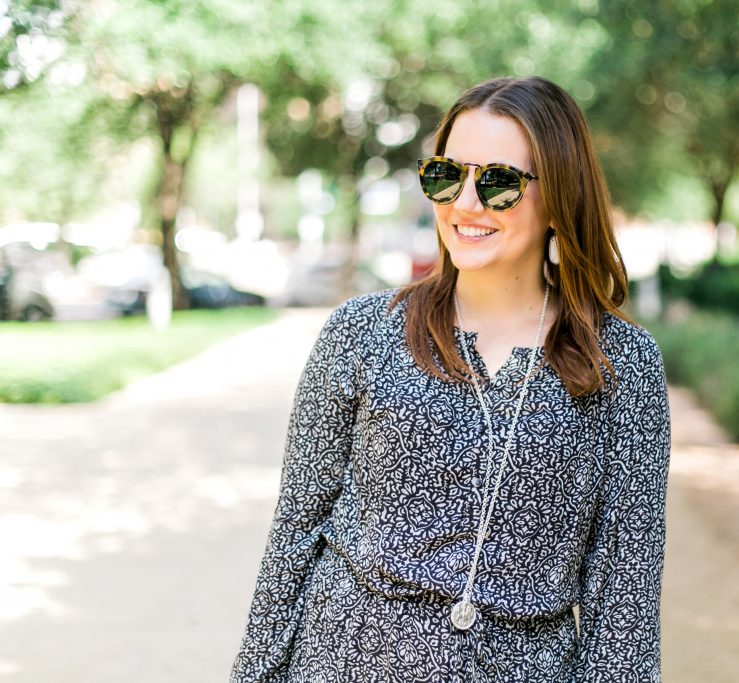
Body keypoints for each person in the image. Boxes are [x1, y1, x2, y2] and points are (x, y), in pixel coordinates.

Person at [230, 75, 671, 683]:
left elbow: (625, 591)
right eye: (446, 174)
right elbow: (296, 532)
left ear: (561, 196)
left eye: (498, 182)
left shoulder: (622, 363)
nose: (465, 203)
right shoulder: (361, 332)